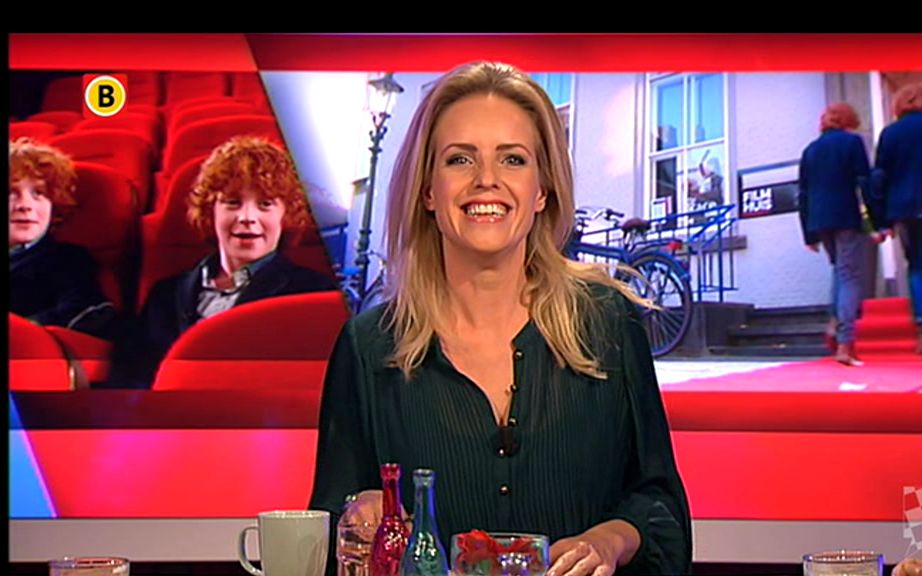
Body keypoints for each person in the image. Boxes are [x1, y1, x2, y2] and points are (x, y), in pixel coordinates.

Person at [309, 62, 691, 576]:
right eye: (459, 159)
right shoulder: (369, 346)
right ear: (427, 190)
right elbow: (329, 529)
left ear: (542, 190)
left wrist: (611, 540)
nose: (486, 180)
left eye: (512, 159)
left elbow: (661, 506)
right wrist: (358, 516)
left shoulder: (607, 323)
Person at [107, 135, 337, 388]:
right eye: (232, 203)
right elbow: (130, 379)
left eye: (265, 204)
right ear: (210, 211)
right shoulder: (164, 295)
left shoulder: (315, 292)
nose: (247, 217)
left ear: (286, 216)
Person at [9, 138, 116, 338]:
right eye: (11, 193)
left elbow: (81, 310)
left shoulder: (67, 258)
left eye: (39, 193)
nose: (26, 205)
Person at [798, 102, 876, 366]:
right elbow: (865, 182)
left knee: (839, 271)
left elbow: (803, 194)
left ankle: (834, 323)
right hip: (845, 217)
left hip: (819, 221)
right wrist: (876, 221)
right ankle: (845, 343)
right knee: (850, 276)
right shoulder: (852, 143)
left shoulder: (810, 150)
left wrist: (808, 235)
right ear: (848, 120)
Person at [868, 82, 922, 354]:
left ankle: (921, 328)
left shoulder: (890, 134)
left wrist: (881, 221)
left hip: (904, 209)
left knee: (917, 266)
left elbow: (879, 178)